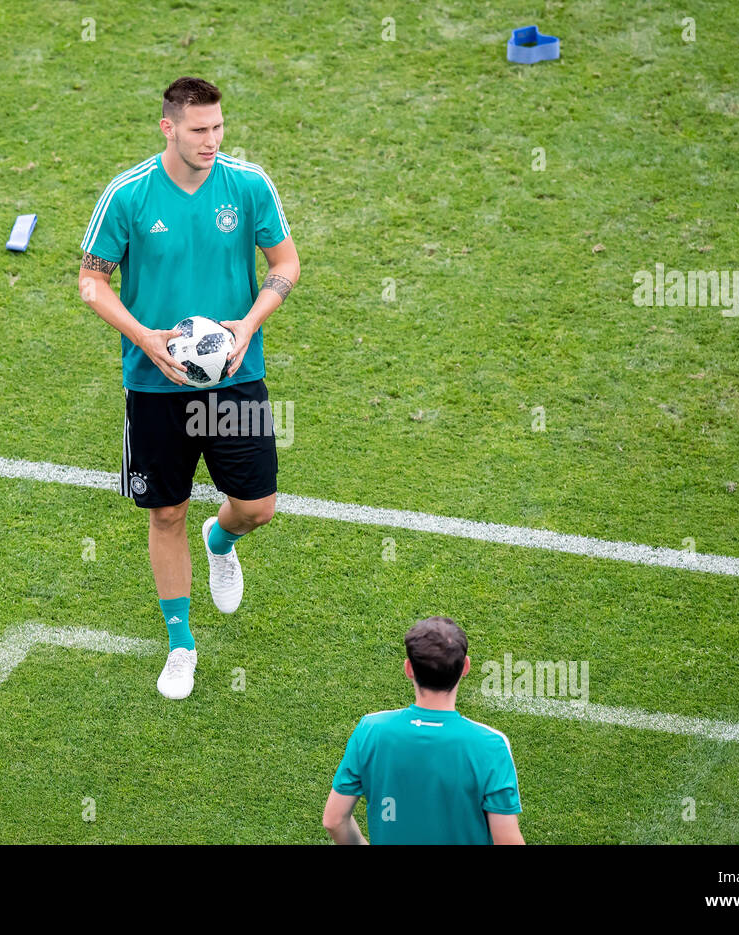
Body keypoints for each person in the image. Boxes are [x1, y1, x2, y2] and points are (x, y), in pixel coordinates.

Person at [77, 76, 300, 700]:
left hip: (234, 376)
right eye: (199, 129)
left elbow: (286, 264)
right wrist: (144, 337)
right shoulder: (129, 195)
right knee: (166, 511)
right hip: (154, 385)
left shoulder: (248, 185)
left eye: (219, 126)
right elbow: (91, 283)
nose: (212, 140)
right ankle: (181, 643)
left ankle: (221, 540)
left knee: (258, 507)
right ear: (168, 128)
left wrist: (247, 326)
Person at [323, 617, 526, 844]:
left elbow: (334, 820)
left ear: (408, 669)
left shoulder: (371, 730)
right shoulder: (490, 744)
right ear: (465, 667)